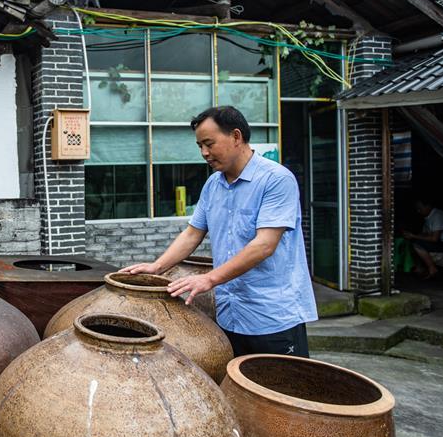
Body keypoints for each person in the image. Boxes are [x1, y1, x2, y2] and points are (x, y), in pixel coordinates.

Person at [121, 106, 317, 357]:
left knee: (283, 392)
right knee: (234, 391)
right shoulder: (213, 185)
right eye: (199, 146)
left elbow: (264, 245)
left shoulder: (276, 180)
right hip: (229, 313)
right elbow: (193, 233)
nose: (204, 153)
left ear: (236, 136)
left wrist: (208, 279)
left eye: (209, 143)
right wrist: (157, 267)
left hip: (273, 315)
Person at [402, 197, 443, 279]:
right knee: (415, 242)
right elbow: (425, 234)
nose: (418, 211)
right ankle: (419, 268)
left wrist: (413, 236)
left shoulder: (437, 216)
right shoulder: (428, 217)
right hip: (441, 242)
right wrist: (411, 235)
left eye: (420, 208)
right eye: (417, 209)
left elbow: (434, 239)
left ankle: (432, 269)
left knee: (418, 244)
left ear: (428, 206)